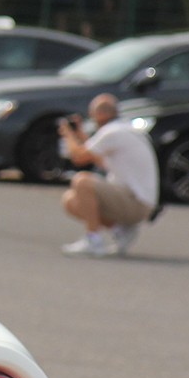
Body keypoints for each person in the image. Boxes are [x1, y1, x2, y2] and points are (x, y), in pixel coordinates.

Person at [58, 93, 158, 257]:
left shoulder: (112, 132)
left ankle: (93, 239)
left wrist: (68, 134)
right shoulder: (123, 129)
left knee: (82, 181)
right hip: (138, 201)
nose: (92, 119)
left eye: (93, 115)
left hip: (136, 202)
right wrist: (81, 136)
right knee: (71, 201)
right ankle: (120, 231)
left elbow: (79, 158)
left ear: (102, 114)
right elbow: (100, 160)